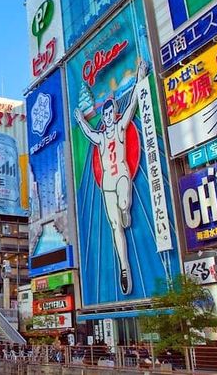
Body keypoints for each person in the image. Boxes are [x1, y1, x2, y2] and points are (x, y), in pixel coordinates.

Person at [73, 60, 148, 295]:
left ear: (112, 114)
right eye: (104, 114)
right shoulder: (101, 137)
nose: (106, 117)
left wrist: (140, 76)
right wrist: (80, 120)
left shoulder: (120, 127)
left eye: (108, 113)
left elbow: (133, 103)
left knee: (125, 204)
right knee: (116, 226)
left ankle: (126, 211)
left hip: (122, 175)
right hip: (107, 184)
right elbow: (88, 133)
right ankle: (124, 267)